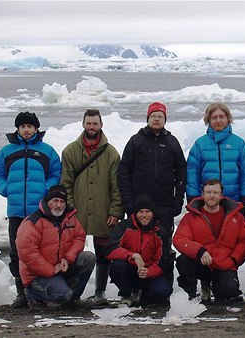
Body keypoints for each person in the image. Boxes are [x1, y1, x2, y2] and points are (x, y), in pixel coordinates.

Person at [0, 111, 62, 308]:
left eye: (30, 127)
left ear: (36, 129)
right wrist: (4, 188)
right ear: (17, 129)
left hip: (38, 212)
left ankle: (39, 291)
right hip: (15, 210)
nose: (26, 130)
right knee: (17, 251)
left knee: (39, 251)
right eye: (22, 127)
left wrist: (46, 191)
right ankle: (21, 291)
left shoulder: (47, 151)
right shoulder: (7, 151)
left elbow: (56, 172)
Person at [118, 102, 187, 286]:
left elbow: (181, 172)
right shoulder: (136, 141)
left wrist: (177, 200)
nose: (157, 119)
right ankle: (134, 287)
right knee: (136, 246)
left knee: (164, 246)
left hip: (164, 205)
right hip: (138, 206)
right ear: (148, 118)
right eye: (153, 116)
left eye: (160, 116)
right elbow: (123, 173)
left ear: (165, 120)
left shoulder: (172, 142)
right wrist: (128, 203)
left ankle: (163, 286)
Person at [60, 108, 122, 305]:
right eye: (89, 123)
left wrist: (115, 211)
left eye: (95, 123)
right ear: (83, 124)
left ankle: (100, 292)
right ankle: (69, 290)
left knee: (103, 252)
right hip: (77, 210)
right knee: (71, 251)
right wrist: (69, 209)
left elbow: (116, 186)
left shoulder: (111, 153)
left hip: (103, 210)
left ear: (101, 125)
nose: (92, 127)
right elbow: (65, 183)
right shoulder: (70, 151)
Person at [15, 185, 96, 308]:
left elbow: (79, 238)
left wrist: (67, 259)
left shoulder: (70, 219)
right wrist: (51, 270)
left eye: (62, 201)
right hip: (38, 274)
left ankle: (72, 298)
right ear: (48, 202)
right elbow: (28, 254)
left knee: (88, 258)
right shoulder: (33, 222)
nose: (59, 205)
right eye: (55, 201)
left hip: (60, 267)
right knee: (63, 295)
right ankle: (32, 293)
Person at [173, 179, 245, 303]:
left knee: (229, 292)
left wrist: (233, 260)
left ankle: (215, 288)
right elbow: (180, 239)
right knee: (183, 261)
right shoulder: (190, 217)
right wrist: (200, 251)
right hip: (202, 262)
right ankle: (191, 295)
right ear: (202, 195)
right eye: (208, 192)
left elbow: (244, 241)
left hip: (224, 263)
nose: (212, 196)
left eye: (215, 192)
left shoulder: (236, 217)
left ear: (221, 195)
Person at [186, 102, 245, 218]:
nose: (218, 120)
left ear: (228, 119)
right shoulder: (199, 145)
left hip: (234, 202)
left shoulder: (239, 144)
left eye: (221, 117)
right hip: (207, 203)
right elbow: (192, 175)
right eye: (214, 117)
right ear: (208, 120)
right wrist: (193, 200)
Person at [106, 195, 173, 306]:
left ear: (153, 213)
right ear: (135, 214)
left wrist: (149, 272)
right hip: (130, 269)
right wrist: (132, 255)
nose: (144, 215)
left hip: (148, 273)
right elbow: (110, 249)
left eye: (147, 211)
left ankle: (144, 295)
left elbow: (162, 262)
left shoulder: (160, 233)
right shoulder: (124, 226)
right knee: (117, 266)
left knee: (163, 291)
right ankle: (126, 294)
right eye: (140, 212)